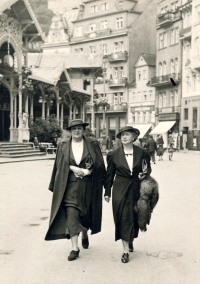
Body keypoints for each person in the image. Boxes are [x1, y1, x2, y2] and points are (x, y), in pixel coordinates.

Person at [45, 119, 106, 261]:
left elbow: (100, 165)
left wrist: (88, 172)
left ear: (83, 130)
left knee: (85, 214)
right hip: (69, 187)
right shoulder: (63, 145)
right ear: (70, 131)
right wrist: (72, 168)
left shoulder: (93, 144)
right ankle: (74, 248)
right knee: (72, 214)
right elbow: (58, 165)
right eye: (74, 129)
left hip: (88, 186)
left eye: (79, 128)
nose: (77, 131)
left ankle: (84, 233)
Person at [104, 126, 151, 264]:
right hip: (120, 189)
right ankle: (125, 251)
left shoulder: (142, 152)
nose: (124, 137)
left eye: (127, 135)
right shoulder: (113, 154)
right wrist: (107, 192)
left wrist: (145, 174)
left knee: (135, 217)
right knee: (123, 217)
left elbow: (147, 168)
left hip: (137, 188)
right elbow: (109, 174)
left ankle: (130, 239)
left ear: (134, 137)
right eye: (122, 135)